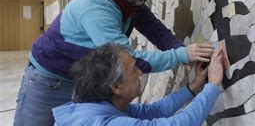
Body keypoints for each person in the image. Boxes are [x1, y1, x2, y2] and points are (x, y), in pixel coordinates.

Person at [14, 0, 214, 125]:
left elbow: (158, 32)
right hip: (49, 78)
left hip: (84, 81)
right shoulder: (94, 8)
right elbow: (129, 60)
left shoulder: (130, 1)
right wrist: (182, 56)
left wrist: (183, 52)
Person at [53, 43, 224, 125]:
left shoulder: (103, 104)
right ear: (116, 87)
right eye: (134, 70)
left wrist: (195, 84)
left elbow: (155, 111)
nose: (141, 73)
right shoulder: (103, 123)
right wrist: (213, 85)